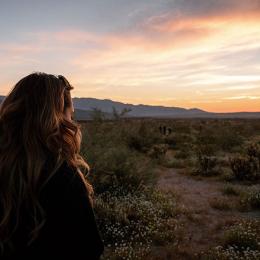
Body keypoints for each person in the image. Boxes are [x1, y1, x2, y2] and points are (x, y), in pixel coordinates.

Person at [0, 72, 105, 259]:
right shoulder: (62, 176)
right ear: (56, 117)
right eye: (70, 113)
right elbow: (90, 248)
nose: (71, 121)